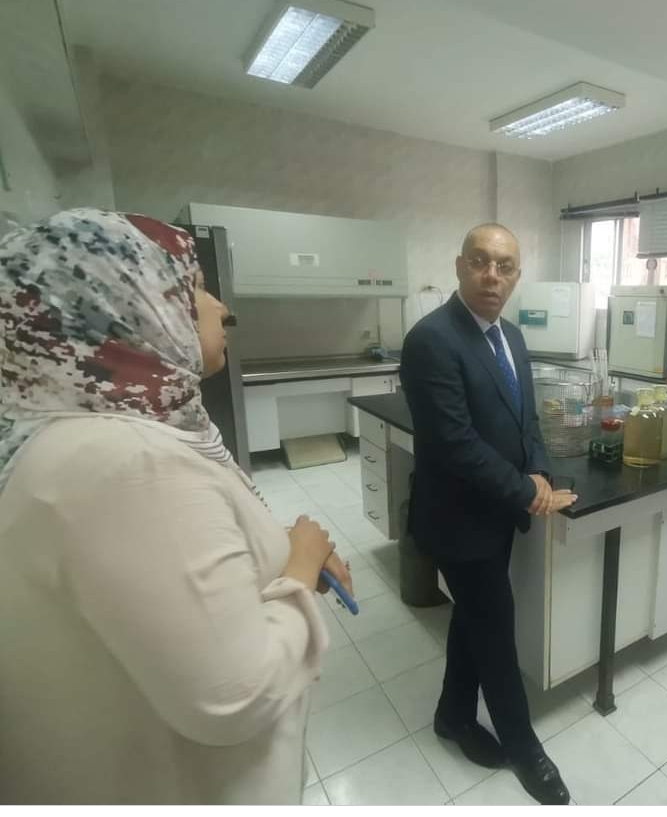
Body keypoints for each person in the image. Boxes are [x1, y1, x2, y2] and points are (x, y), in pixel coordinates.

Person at [0, 209, 349, 803]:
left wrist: (277, 549)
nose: (220, 307)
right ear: (122, 305)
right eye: (194, 288)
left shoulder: (80, 436)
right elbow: (236, 696)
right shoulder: (129, 465)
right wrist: (299, 564)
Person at [399, 223, 576, 806]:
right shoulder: (432, 339)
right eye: (480, 261)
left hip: (497, 513)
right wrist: (527, 491)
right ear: (459, 266)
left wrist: (540, 471)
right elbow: (455, 443)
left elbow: (527, 421)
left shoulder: (512, 337)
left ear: (517, 275)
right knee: (496, 630)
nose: (492, 275)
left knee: (473, 618)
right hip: (458, 520)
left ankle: (452, 715)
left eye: (505, 265)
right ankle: (525, 750)